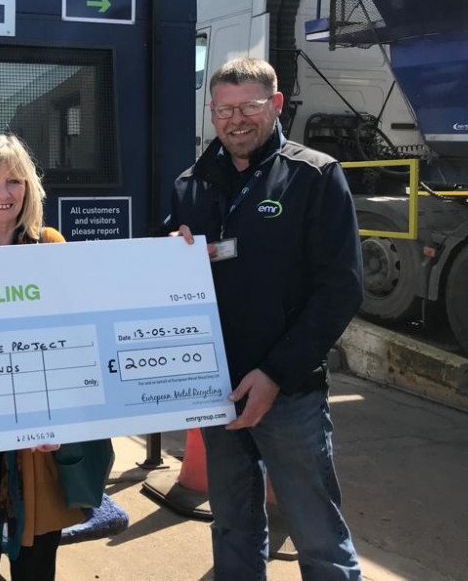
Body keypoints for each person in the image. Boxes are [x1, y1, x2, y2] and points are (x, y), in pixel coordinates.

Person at [169, 58, 363, 580]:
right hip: (214, 391)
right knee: (232, 524)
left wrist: (276, 374)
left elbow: (341, 289)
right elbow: (164, 278)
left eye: (249, 106)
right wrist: (167, 253)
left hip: (289, 393)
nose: (236, 120)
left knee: (318, 533)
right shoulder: (190, 186)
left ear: (275, 105)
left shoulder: (314, 176)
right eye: (224, 109)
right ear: (211, 113)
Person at [0, 134, 111, 581]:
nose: (3, 193)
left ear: (29, 189)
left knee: (36, 567)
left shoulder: (51, 245)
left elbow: (73, 342)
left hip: (37, 443)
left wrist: (64, 421)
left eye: (14, 181)